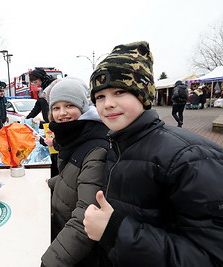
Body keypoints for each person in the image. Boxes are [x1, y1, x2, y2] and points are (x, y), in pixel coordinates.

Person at [84, 41, 223, 266]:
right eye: (100, 97)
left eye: (120, 92)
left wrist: (115, 231)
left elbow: (212, 257)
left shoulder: (190, 157)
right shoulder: (117, 144)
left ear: (144, 95)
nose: (108, 104)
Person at [41, 77, 109, 266]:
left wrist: (51, 262)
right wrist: (53, 182)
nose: (62, 113)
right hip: (61, 228)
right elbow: (73, 177)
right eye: (56, 108)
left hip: (76, 251)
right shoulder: (74, 135)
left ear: (83, 107)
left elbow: (86, 216)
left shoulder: (96, 148)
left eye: (69, 105)